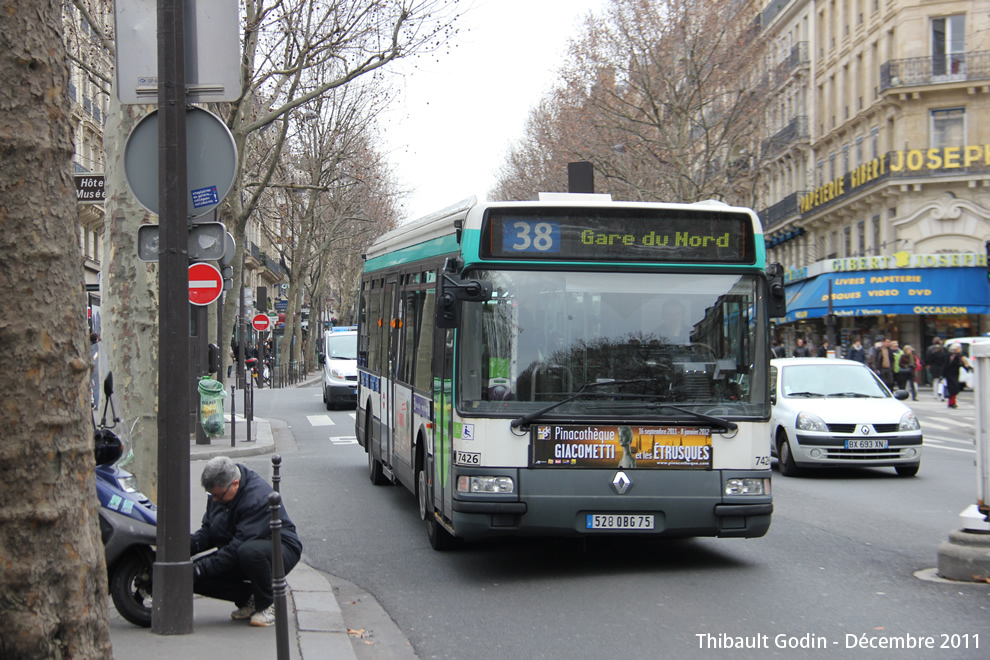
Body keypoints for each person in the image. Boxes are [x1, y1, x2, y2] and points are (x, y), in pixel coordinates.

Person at [191, 456, 303, 627]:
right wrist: (189, 548)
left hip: (279, 548)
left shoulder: (256, 497)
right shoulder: (220, 491)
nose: (214, 500)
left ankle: (267, 603)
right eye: (211, 495)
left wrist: (200, 568)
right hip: (242, 547)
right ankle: (248, 598)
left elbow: (235, 550)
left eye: (218, 496)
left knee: (248, 552)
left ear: (235, 483)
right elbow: (209, 531)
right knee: (190, 576)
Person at [944, 343, 971, 409]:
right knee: (952, 389)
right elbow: (946, 364)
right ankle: (952, 403)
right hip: (949, 374)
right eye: (959, 348)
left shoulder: (959, 356)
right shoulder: (950, 355)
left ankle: (952, 402)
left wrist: (967, 367)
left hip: (955, 374)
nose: (960, 349)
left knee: (955, 388)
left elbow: (962, 364)